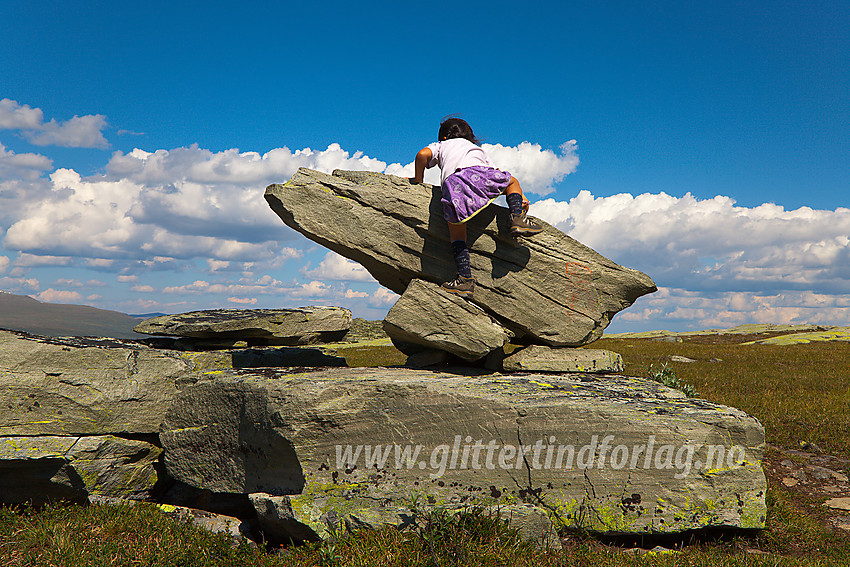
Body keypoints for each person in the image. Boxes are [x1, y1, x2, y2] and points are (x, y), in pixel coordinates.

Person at [410, 117, 542, 295]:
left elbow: (421, 155)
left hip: (454, 186)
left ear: (444, 137)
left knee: (457, 235)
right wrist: (520, 198)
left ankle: (464, 280)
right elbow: (496, 175)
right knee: (511, 181)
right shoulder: (477, 149)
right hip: (480, 175)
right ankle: (517, 218)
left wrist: (418, 180)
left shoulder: (441, 145)